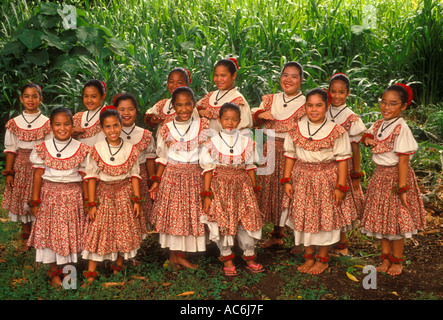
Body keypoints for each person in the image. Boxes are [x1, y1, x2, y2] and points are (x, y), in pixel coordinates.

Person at [280, 88, 353, 275]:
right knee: (304, 217)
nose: (314, 109)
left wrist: (341, 186)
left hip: (325, 180)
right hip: (301, 178)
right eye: (310, 105)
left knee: (324, 219)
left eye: (319, 105)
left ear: (327, 107)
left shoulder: (336, 131)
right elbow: (290, 155)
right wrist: (287, 180)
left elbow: (343, 159)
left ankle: (322, 258)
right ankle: (309, 256)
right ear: (305, 107)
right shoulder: (296, 128)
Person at [360, 83, 427, 276]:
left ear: (403, 106)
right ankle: (385, 259)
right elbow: (368, 135)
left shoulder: (401, 128)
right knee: (383, 220)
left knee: (397, 221)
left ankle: (397, 261)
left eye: (393, 104)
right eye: (384, 102)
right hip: (380, 176)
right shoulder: (380, 124)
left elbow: (403, 160)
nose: (386, 107)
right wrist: (366, 139)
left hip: (396, 177)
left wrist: (402, 188)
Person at [82, 106, 147, 285]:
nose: (113, 130)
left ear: (121, 126)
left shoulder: (130, 149)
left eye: (116, 125)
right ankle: (91, 272)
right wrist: (92, 203)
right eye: (108, 127)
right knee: (99, 229)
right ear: (102, 128)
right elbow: (92, 178)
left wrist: (136, 200)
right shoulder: (96, 149)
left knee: (123, 230)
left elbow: (135, 175)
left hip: (124, 193)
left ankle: (118, 266)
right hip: (104, 193)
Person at [27, 107, 90, 287]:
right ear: (51, 126)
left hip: (73, 197)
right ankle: (54, 274)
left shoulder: (81, 148)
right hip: (50, 197)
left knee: (69, 236)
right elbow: (38, 175)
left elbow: (85, 178)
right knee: (51, 237)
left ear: (72, 125)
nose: (62, 128)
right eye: (57, 124)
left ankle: (69, 275)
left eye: (66, 124)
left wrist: (87, 202)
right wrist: (35, 201)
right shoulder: (42, 148)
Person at [199, 102, 264, 277]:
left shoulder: (247, 142)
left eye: (234, 119)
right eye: (226, 118)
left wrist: (253, 190)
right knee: (223, 221)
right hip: (220, 187)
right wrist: (207, 195)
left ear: (239, 121)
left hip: (242, 186)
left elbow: (250, 167)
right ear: (219, 120)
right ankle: (227, 256)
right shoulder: (211, 143)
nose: (229, 122)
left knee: (247, 218)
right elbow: (208, 170)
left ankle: (249, 255)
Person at [149, 86, 209, 269]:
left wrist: (207, 187)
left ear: (194, 105)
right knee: (175, 216)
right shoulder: (166, 128)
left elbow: (207, 157)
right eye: (179, 105)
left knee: (189, 216)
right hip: (172, 177)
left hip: (194, 176)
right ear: (173, 106)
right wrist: (156, 182)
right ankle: (174, 255)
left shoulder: (203, 125)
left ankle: (181, 255)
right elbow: (163, 157)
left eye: (188, 104)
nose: (184, 109)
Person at [251, 61, 306, 249]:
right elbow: (253, 119)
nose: (288, 79)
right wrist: (259, 116)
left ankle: (301, 239)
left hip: (294, 152)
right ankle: (277, 234)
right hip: (270, 148)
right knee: (272, 190)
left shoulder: (306, 103)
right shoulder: (270, 99)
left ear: (301, 81)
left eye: (294, 76)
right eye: (285, 75)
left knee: (293, 192)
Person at [2, 83, 51, 251]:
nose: (31, 100)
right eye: (27, 96)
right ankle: (25, 237)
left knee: (40, 200)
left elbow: (51, 147)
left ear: (40, 99)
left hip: (41, 166)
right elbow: (11, 149)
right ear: (22, 99)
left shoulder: (47, 123)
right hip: (21, 165)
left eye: (35, 96)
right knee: (23, 200)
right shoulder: (15, 123)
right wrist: (9, 173)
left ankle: (39, 239)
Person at [326, 73, 367, 256]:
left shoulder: (351, 117)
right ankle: (326, 240)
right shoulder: (323, 110)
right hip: (326, 164)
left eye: (341, 92)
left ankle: (342, 244)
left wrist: (356, 173)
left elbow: (355, 148)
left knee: (342, 203)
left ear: (348, 93)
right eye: (333, 92)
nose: (336, 96)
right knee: (327, 201)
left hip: (345, 165)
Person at [115, 93, 156, 228]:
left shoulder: (145, 134)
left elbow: (150, 159)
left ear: (136, 111)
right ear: (115, 111)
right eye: (122, 109)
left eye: (130, 109)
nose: (126, 113)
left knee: (138, 217)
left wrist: (151, 180)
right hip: (118, 181)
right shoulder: (111, 133)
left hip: (140, 178)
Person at [196, 58, 252, 134]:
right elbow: (193, 110)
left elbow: (243, 131)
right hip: (207, 143)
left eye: (223, 75)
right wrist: (200, 111)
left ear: (233, 75)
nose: (219, 79)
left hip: (227, 143)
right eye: (216, 75)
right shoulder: (211, 95)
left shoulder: (238, 100)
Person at [144, 67, 197, 134]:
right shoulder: (163, 104)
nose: (174, 86)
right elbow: (148, 117)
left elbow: (194, 131)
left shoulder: (190, 107)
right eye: (171, 82)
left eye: (179, 82)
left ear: (187, 84)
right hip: (161, 143)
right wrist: (153, 119)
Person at [71, 79, 107, 146]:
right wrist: (71, 133)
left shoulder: (108, 116)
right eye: (86, 96)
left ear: (103, 96)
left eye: (93, 96)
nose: (89, 100)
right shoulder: (78, 117)